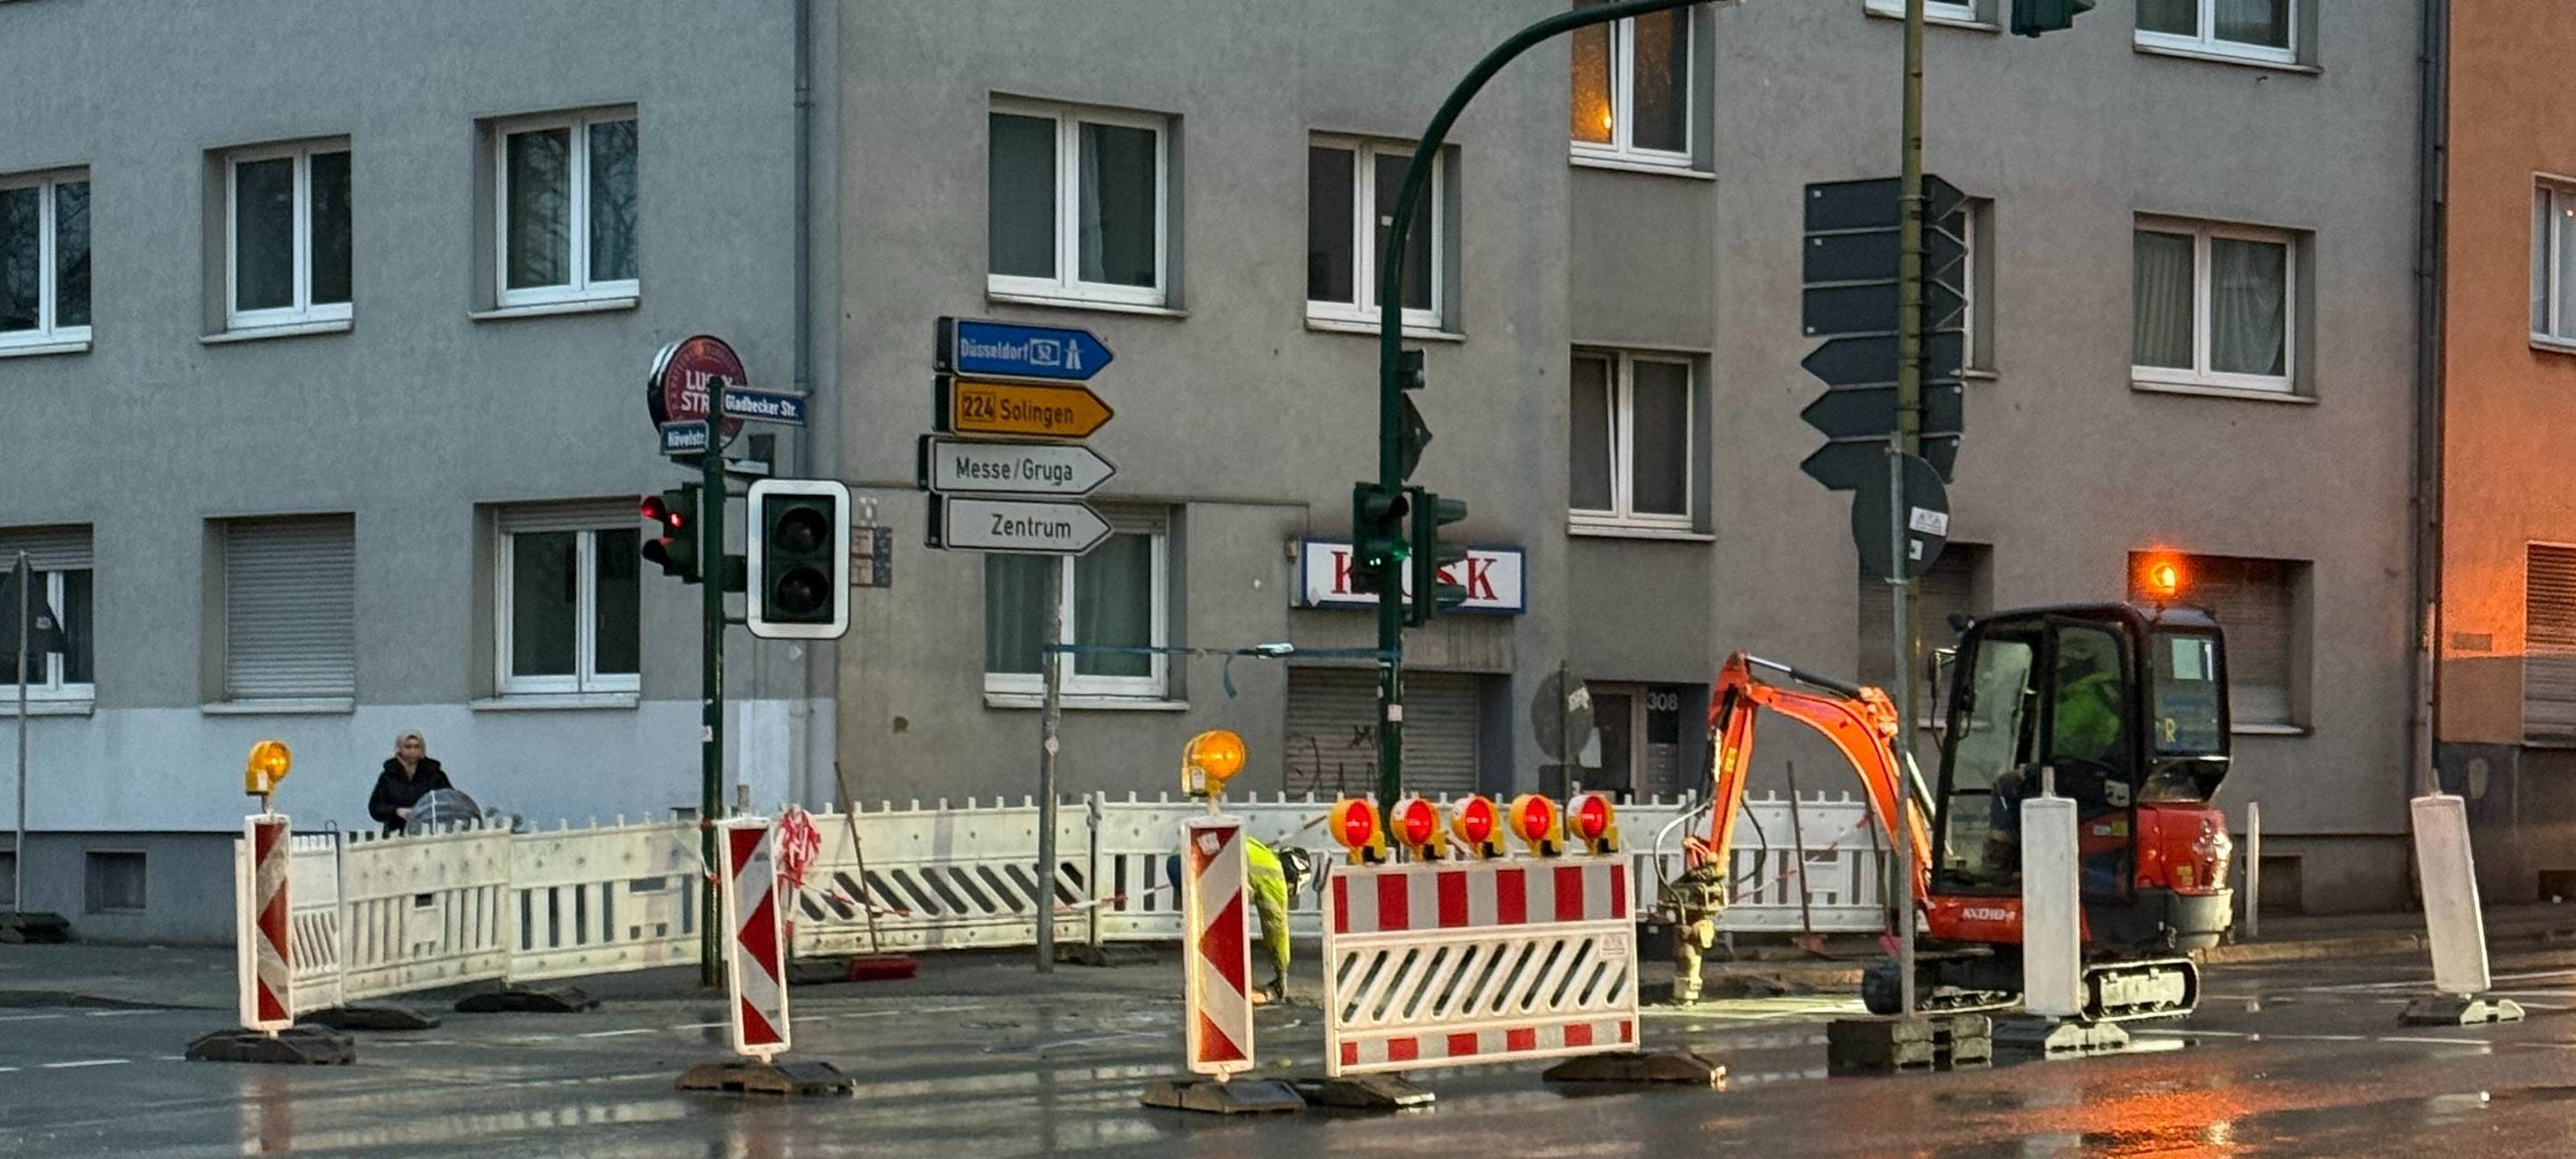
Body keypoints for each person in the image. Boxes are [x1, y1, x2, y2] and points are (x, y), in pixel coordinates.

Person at [1168, 836, 1308, 1004]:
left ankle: (1198, 986)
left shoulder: (1262, 854)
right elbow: (1276, 928)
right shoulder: (1274, 875)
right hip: (1203, 864)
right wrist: (1281, 971)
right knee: (1228, 931)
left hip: (1179, 858)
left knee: (1206, 928)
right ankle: (1222, 992)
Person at [368, 731, 454, 836]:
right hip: (396, 834)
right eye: (408, 747)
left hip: (429, 833)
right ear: (399, 749)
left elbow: (449, 801)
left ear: (422, 749)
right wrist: (396, 811)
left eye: (416, 747)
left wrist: (427, 810)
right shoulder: (389, 776)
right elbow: (376, 807)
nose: (412, 751)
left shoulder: (434, 773)